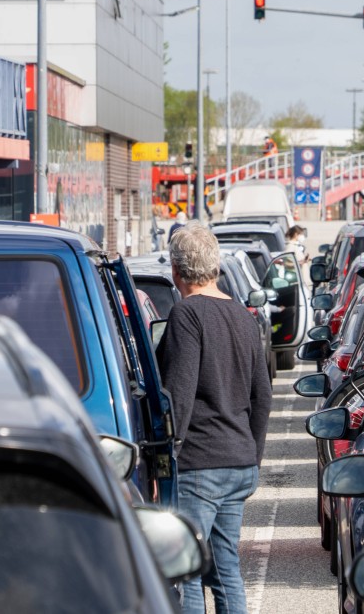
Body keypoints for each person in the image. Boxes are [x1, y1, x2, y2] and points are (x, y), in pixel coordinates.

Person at [158, 221, 272, 614]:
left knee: (186, 571)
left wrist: (166, 453)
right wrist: (252, 457)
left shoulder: (186, 315)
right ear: (216, 268)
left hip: (199, 464)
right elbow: (264, 396)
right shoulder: (244, 317)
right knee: (225, 570)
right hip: (238, 461)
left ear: (175, 272)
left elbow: (179, 394)